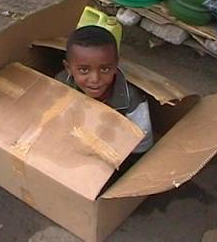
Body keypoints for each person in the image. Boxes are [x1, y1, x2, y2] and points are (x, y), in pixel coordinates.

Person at [55, 25, 153, 154]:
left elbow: (143, 144)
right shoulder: (61, 83)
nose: (95, 79)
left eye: (105, 69)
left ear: (116, 65)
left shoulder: (131, 99)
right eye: (84, 70)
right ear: (68, 68)